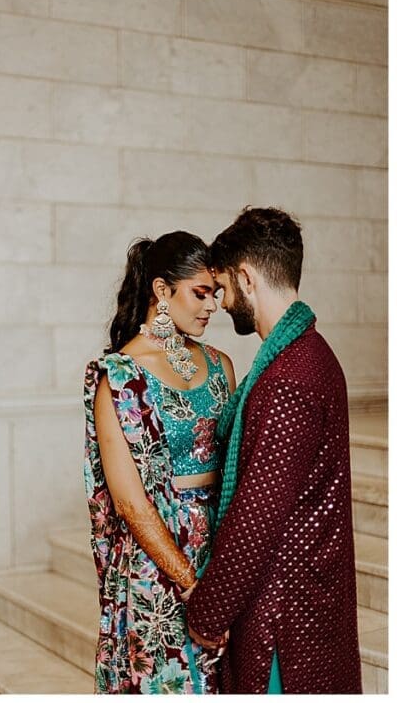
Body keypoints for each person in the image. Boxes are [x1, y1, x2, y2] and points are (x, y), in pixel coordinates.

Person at [185, 208, 361, 693]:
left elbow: (257, 513)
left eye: (222, 288)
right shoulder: (311, 354)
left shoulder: (288, 378)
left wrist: (207, 613)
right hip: (303, 602)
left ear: (246, 276)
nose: (220, 304)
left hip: (286, 618)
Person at [84, 231, 236, 693]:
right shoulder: (119, 378)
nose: (211, 306)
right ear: (162, 291)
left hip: (220, 550)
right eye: (200, 293)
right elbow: (129, 502)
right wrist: (190, 587)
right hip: (158, 564)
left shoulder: (221, 364)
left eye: (216, 294)